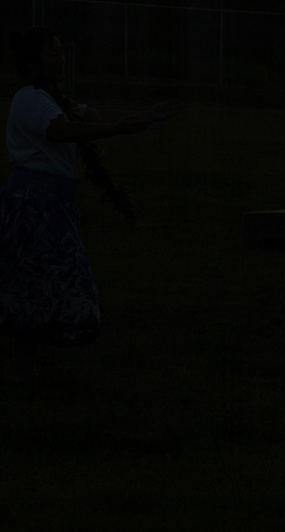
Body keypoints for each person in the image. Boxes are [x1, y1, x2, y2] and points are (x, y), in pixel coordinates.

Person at [0, 27, 181, 386]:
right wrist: (119, 129)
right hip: (33, 204)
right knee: (36, 280)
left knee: (38, 281)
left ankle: (23, 365)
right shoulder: (31, 99)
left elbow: (92, 115)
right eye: (52, 53)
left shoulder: (54, 98)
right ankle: (20, 366)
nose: (60, 58)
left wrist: (142, 116)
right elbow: (62, 131)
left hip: (51, 202)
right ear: (31, 62)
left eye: (61, 52)